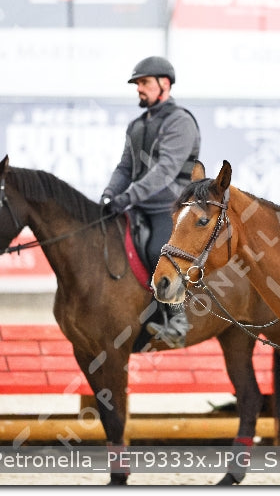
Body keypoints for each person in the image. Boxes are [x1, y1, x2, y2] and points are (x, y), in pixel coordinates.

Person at [100, 56, 200, 348]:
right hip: (137, 205)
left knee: (161, 250)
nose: (139, 89)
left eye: (144, 83)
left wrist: (127, 197)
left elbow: (165, 171)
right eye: (137, 84)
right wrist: (109, 194)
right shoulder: (136, 125)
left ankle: (177, 319)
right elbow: (124, 168)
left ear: (164, 84)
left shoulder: (181, 122)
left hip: (171, 209)